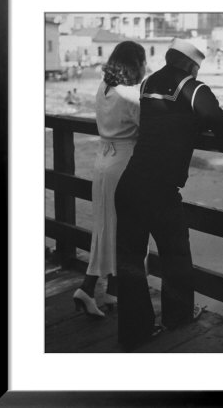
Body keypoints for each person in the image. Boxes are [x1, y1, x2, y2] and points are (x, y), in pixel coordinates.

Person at [115, 38, 223, 349]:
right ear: (192, 65)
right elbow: (221, 124)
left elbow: (170, 119)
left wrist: (205, 118)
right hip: (160, 191)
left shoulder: (148, 84)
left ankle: (135, 332)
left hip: (130, 184)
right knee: (176, 255)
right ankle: (177, 318)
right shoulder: (195, 88)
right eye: (196, 67)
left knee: (131, 263)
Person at [73, 41, 147, 317]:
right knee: (125, 231)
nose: (145, 68)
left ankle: (110, 291)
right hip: (124, 163)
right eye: (142, 63)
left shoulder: (104, 89)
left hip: (102, 161)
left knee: (105, 227)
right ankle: (90, 287)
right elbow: (149, 128)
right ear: (134, 65)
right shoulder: (131, 96)